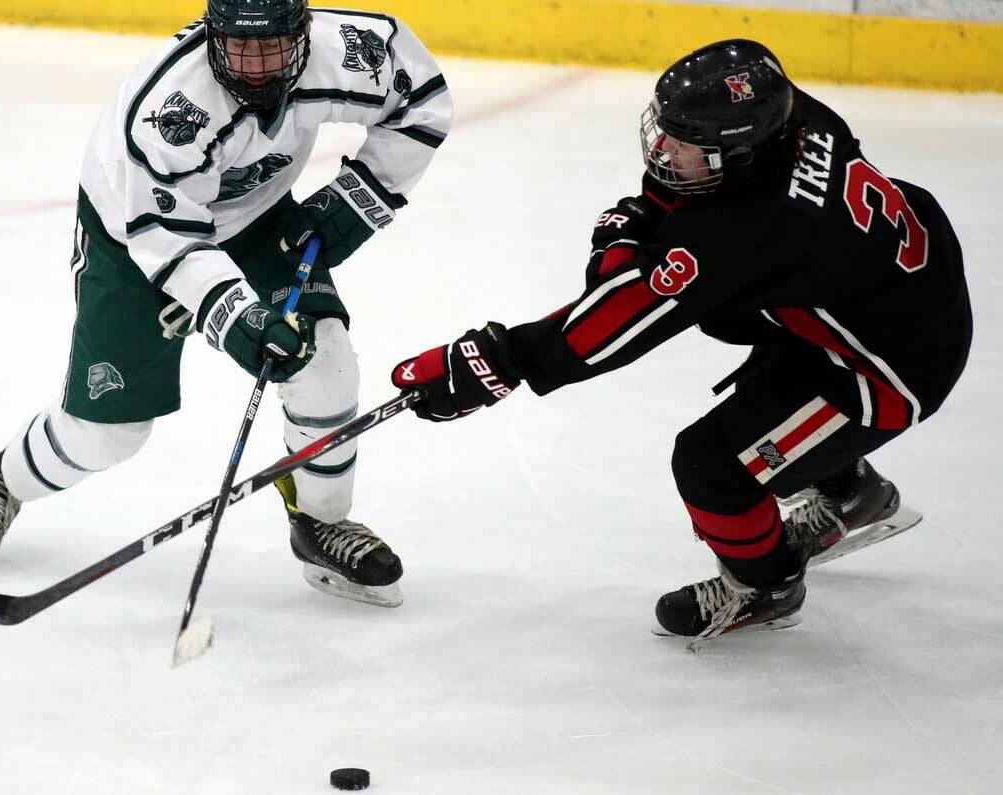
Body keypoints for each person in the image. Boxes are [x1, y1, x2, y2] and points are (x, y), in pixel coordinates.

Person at [390, 39, 971, 644]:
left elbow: (612, 326)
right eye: (667, 131)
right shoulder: (797, 117)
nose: (663, 150)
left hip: (886, 368)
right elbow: (676, 235)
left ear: (742, 148)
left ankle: (766, 585)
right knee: (737, 339)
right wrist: (641, 231)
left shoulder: (744, 232)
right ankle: (850, 491)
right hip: (879, 297)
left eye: (687, 144)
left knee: (712, 465)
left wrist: (496, 361)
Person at [0, 0, 452, 609]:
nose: (256, 65)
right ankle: (11, 479)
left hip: (258, 216)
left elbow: (421, 97)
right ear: (214, 36)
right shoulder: (168, 111)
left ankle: (320, 521)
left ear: (302, 32)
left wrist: (366, 191)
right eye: (239, 46)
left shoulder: (350, 48)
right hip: (136, 235)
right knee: (107, 435)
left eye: (272, 46)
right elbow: (166, 236)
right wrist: (237, 315)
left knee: (327, 361)